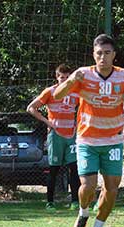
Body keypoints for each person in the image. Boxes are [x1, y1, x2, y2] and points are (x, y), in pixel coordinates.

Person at [53, 34, 124, 227]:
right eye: (99, 53)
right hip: (87, 140)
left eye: (107, 53)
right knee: (88, 186)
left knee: (111, 189)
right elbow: (57, 96)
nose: (103, 57)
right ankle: (83, 213)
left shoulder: (123, 76)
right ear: (94, 54)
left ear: (114, 55)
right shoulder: (83, 74)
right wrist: (72, 80)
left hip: (113, 141)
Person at [27, 64, 81, 211]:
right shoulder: (50, 92)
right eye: (61, 77)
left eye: (67, 77)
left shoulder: (76, 92)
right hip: (55, 135)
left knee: (74, 168)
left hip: (71, 135)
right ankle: (50, 202)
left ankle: (75, 201)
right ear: (57, 78)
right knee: (54, 169)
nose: (64, 80)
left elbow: (84, 108)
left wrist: (78, 123)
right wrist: (47, 122)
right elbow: (31, 108)